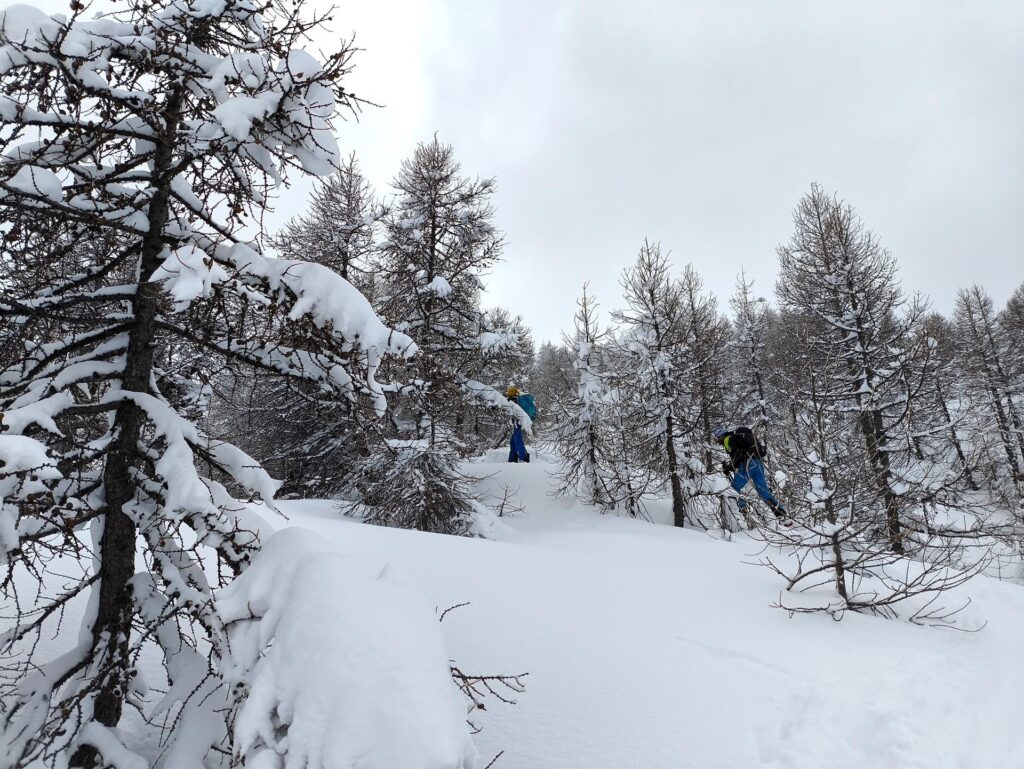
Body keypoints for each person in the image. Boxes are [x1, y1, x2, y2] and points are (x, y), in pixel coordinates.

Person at [713, 426, 788, 523]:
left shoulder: (727, 439)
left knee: (734, 488)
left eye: (717, 439)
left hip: (748, 464)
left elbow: (736, 456)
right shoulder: (742, 436)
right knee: (763, 492)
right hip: (758, 463)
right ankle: (781, 514)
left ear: (720, 437)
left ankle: (742, 512)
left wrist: (729, 468)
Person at [506, 386, 536, 463]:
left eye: (509, 392)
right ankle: (512, 459)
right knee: (513, 441)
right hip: (518, 422)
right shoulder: (518, 398)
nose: (508, 394)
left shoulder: (513, 399)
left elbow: (505, 405)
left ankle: (524, 458)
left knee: (518, 439)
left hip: (517, 422)